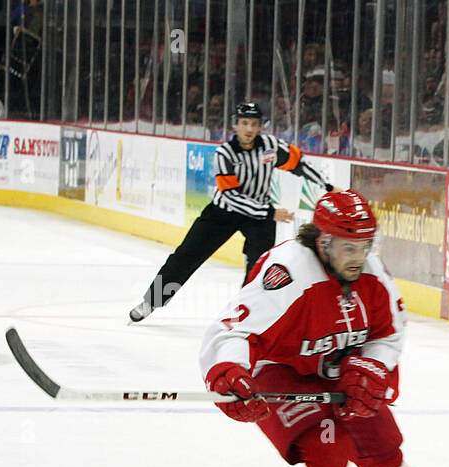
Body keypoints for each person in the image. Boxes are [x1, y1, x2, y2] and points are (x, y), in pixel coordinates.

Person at [197, 189, 449, 467]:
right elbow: (234, 327)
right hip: (281, 367)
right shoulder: (290, 272)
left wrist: (371, 368)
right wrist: (229, 371)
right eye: (348, 248)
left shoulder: (371, 273)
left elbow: (389, 332)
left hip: (340, 366)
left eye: (365, 246)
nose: (359, 257)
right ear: (323, 242)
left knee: (381, 448)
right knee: (327, 448)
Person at [129, 102, 332, 323]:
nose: (249, 129)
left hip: (259, 218)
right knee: (186, 255)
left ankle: (245, 314)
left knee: (259, 267)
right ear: (235, 125)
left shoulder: (271, 146)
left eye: (254, 124)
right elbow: (231, 196)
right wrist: (269, 212)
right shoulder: (224, 153)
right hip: (223, 214)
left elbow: (299, 163)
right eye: (244, 123)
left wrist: (328, 186)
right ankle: (151, 301)